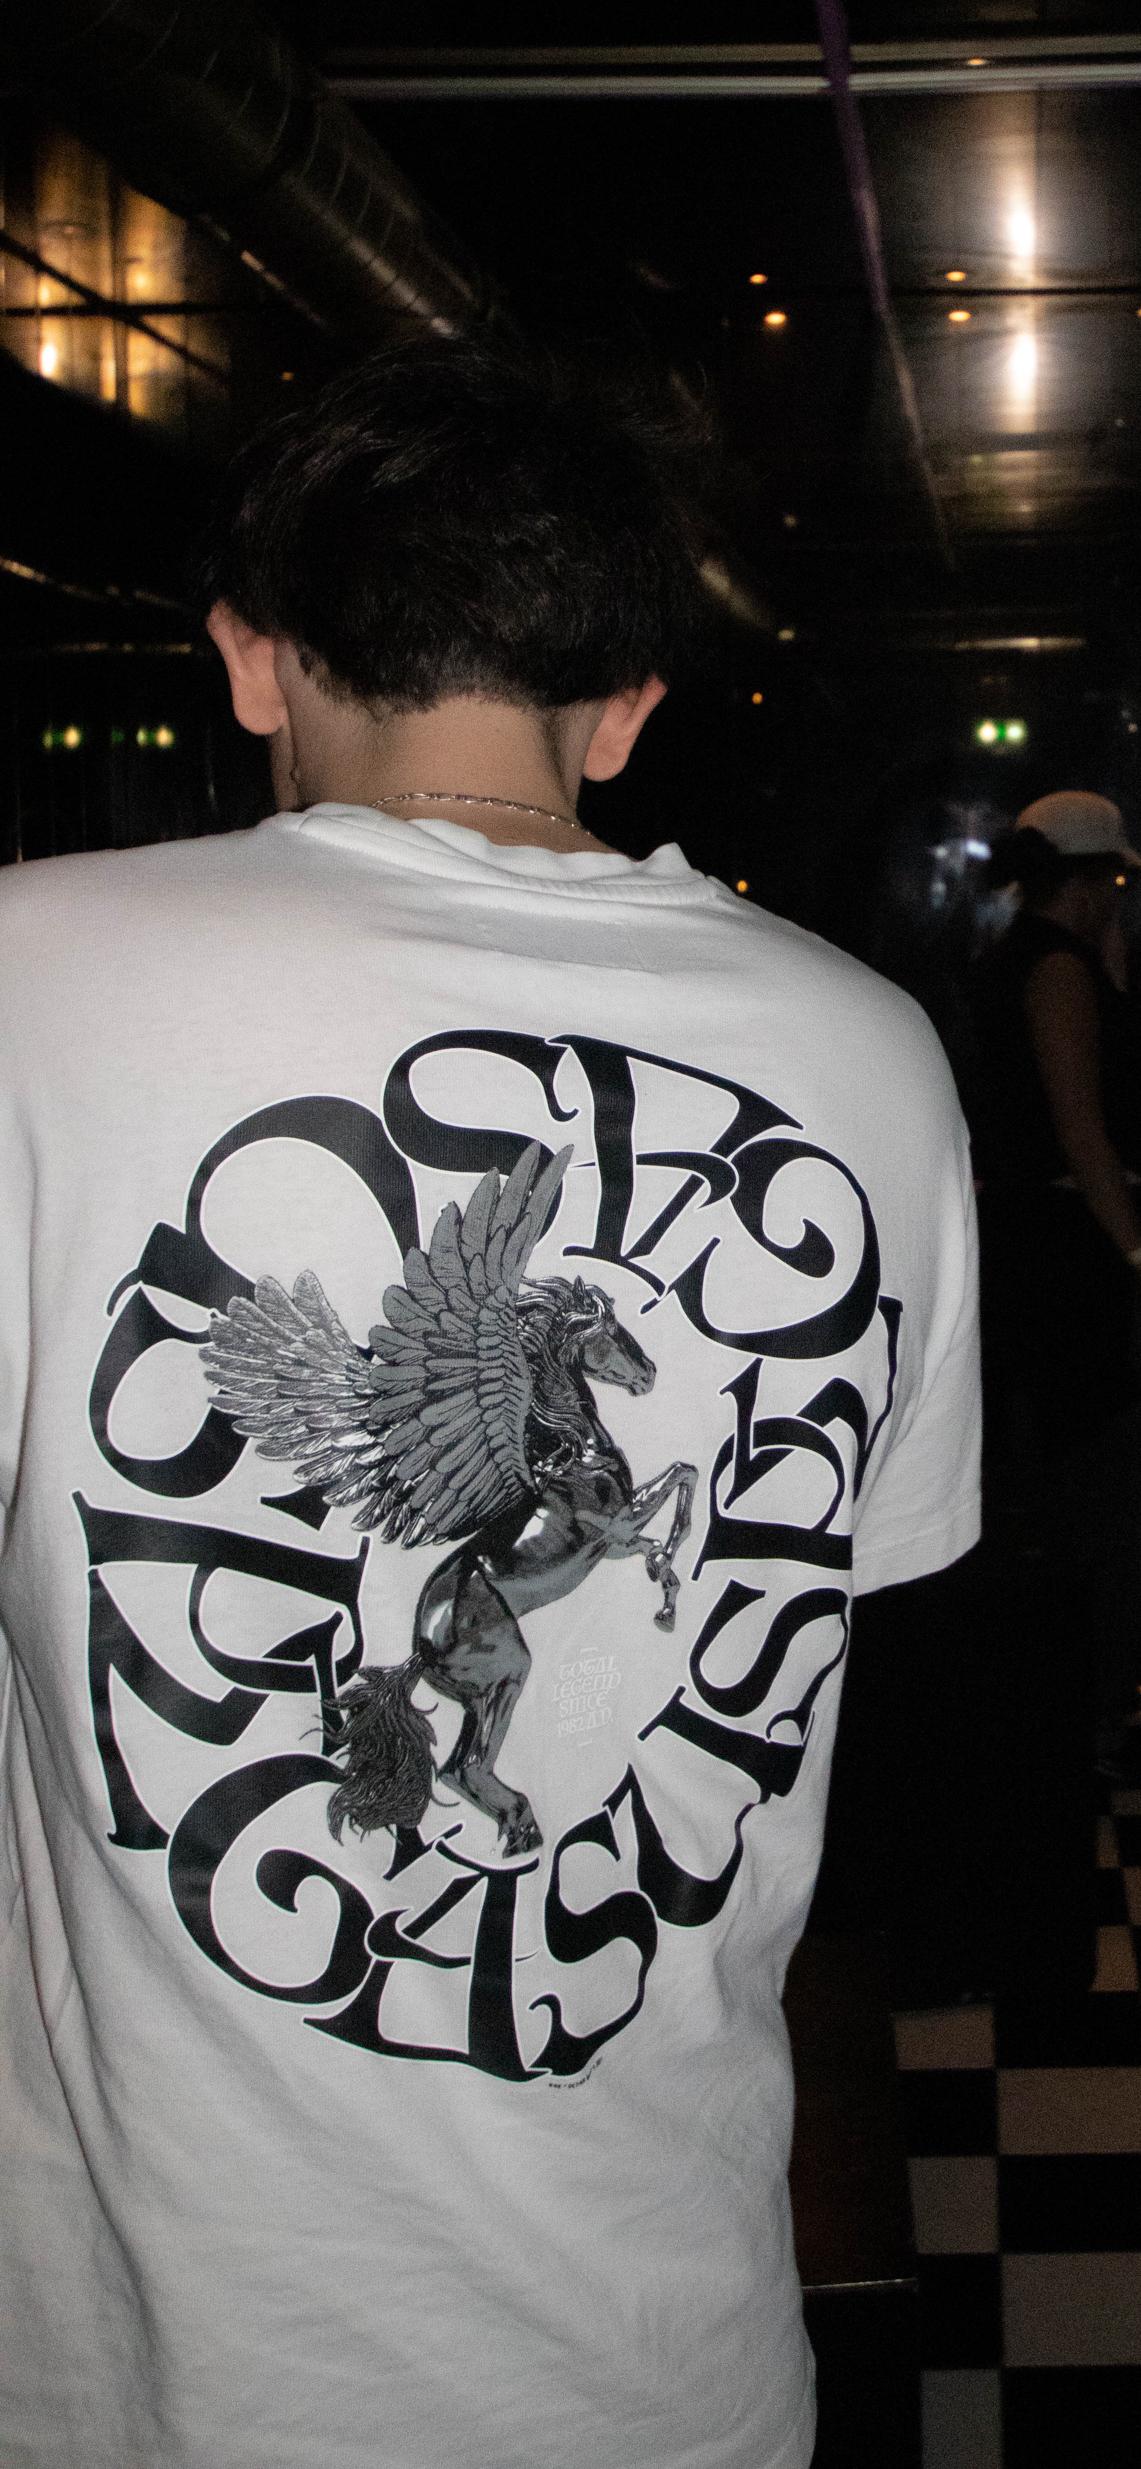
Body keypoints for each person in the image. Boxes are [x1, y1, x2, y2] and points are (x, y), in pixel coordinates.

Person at [0, 339, 980, 2469]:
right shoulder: (874, 1054)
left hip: (161, 2379)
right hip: (664, 2362)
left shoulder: (26, 977)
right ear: (624, 707)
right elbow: (824, 1609)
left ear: (249, 658)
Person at [970, 791, 1141, 1784]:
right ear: (1094, 881)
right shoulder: (1053, 967)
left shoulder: (1027, 956)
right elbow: (1082, 1133)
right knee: (1116, 1493)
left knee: (1079, 1489)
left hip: (1039, 1248)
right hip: (1074, 1256)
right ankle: (1091, 1715)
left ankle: (1083, 1708)